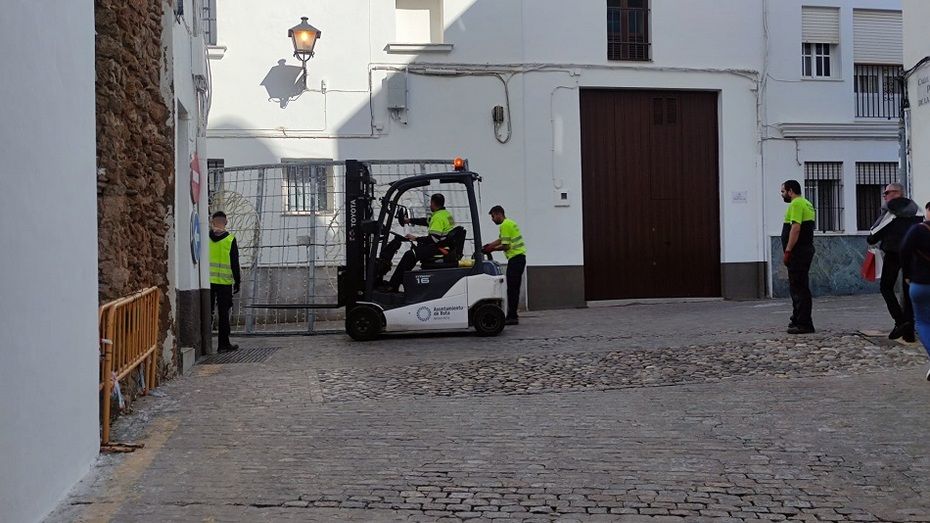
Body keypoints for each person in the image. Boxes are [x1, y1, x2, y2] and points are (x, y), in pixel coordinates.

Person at [867, 183, 921, 342]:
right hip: (914, 254)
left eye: (887, 193)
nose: (884, 196)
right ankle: (909, 332)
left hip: (894, 253)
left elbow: (873, 234)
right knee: (908, 290)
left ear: (897, 193)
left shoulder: (891, 211)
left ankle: (900, 321)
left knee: (886, 287)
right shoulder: (916, 210)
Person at [384, 193, 455, 292]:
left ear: (433, 203)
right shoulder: (446, 215)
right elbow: (426, 221)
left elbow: (433, 239)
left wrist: (416, 238)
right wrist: (409, 220)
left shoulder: (438, 218)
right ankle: (396, 283)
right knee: (415, 252)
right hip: (445, 246)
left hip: (440, 248)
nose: (430, 205)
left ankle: (392, 286)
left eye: (430, 203)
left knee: (410, 255)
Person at [780, 180, 816, 334]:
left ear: (790, 191)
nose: (782, 195)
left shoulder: (796, 204)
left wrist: (788, 251)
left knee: (798, 288)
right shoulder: (807, 203)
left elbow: (795, 228)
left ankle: (803, 323)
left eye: (783, 191)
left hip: (798, 252)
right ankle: (797, 319)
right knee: (799, 286)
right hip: (805, 250)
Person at [899, 202, 930, 379]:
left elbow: (904, 250)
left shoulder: (918, 230)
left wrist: (907, 274)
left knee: (923, 322)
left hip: (920, 283)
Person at [482, 206, 526, 325]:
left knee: (512, 289)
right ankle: (512, 314)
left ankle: (512, 316)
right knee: (513, 288)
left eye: (493, 216)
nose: (492, 219)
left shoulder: (504, 225)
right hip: (519, 259)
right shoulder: (509, 223)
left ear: (498, 214)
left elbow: (506, 246)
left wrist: (492, 249)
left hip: (515, 259)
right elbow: (501, 239)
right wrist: (489, 245)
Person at [209, 211, 241, 352]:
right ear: (226, 222)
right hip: (225, 282)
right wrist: (237, 281)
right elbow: (234, 263)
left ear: (212, 222)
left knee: (207, 313)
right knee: (223, 314)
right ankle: (223, 345)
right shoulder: (230, 239)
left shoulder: (205, 238)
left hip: (207, 283)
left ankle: (205, 344)